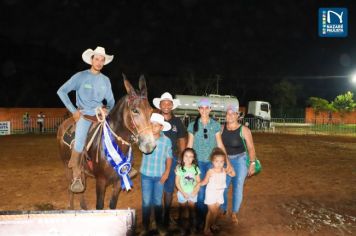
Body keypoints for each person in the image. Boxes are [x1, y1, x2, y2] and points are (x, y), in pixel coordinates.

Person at [57, 46, 115, 193]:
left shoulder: (105, 80)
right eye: (97, 59)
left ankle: (122, 166)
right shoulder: (81, 76)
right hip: (85, 115)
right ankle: (76, 176)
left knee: (116, 135)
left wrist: (107, 108)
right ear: (91, 59)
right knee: (79, 141)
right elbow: (61, 91)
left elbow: (111, 101)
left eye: (102, 60)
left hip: (100, 115)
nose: (99, 62)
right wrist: (73, 111)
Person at [186, 98, 231, 231]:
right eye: (202, 108)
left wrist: (227, 162)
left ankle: (211, 220)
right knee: (201, 192)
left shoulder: (216, 125)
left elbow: (220, 144)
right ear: (198, 109)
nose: (204, 110)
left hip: (213, 164)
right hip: (198, 163)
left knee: (215, 191)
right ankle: (201, 220)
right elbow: (189, 144)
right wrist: (185, 162)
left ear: (210, 109)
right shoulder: (192, 125)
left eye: (207, 108)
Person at [153, 92, 187, 226]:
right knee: (156, 187)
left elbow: (182, 139)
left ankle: (166, 216)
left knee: (169, 187)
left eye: (169, 103)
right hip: (156, 158)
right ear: (160, 105)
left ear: (172, 105)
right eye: (164, 103)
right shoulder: (154, 119)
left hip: (172, 158)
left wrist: (182, 157)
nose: (166, 106)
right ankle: (156, 217)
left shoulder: (177, 122)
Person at [220, 104, 257, 224]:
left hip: (240, 160)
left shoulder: (244, 130)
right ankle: (223, 209)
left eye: (233, 113)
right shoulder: (221, 129)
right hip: (225, 161)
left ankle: (234, 212)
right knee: (223, 187)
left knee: (238, 187)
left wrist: (252, 163)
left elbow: (251, 148)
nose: (229, 115)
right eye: (227, 113)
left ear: (237, 116)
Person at [140, 113, 172, 235]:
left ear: (161, 127)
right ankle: (145, 226)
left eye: (156, 125)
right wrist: (147, 136)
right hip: (146, 175)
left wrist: (167, 172)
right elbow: (143, 148)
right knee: (146, 201)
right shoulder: (145, 137)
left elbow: (169, 157)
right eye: (151, 125)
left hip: (160, 175)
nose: (154, 127)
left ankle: (159, 225)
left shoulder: (167, 141)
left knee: (158, 201)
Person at [199, 147, 235, 235]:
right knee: (212, 212)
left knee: (216, 211)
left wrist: (230, 169)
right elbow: (204, 182)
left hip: (219, 194)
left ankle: (213, 224)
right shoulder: (210, 171)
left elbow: (233, 174)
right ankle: (206, 228)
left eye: (221, 161)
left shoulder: (224, 170)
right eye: (216, 161)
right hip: (211, 194)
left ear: (224, 162)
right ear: (212, 161)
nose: (219, 164)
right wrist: (196, 184)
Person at [174, 147, 200, 233]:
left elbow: (198, 182)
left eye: (190, 156)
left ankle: (193, 226)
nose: (188, 158)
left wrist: (195, 191)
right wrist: (183, 192)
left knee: (192, 210)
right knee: (182, 210)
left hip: (193, 193)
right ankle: (182, 227)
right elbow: (177, 182)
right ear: (182, 157)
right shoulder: (180, 168)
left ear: (193, 158)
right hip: (182, 193)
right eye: (186, 156)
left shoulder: (195, 168)